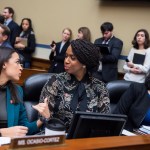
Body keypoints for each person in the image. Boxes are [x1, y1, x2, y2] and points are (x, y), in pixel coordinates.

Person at [33, 39, 110, 131]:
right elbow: (42, 118)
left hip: (87, 141)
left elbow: (104, 123)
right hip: (56, 137)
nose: (66, 61)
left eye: (72, 58)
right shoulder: (56, 81)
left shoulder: (100, 87)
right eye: (66, 56)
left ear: (84, 63)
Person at [0, 47, 48, 137]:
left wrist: (42, 119)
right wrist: (2, 133)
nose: (21, 68)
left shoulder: (17, 90)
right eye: (17, 62)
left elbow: (23, 128)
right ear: (4, 64)